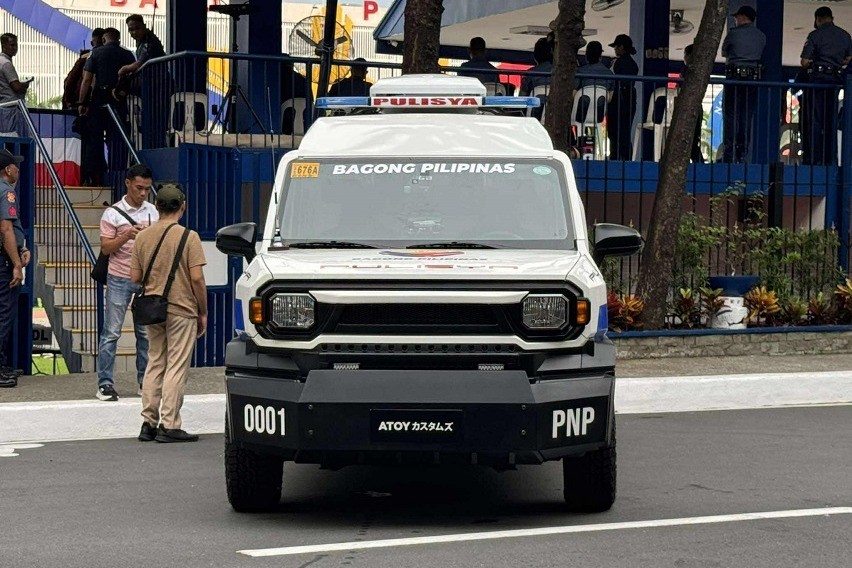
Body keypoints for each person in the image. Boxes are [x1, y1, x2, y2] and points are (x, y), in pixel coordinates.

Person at [130, 183, 207, 443]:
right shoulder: (189, 237)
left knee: (155, 362)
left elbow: (135, 277)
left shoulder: (142, 237)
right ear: (182, 207)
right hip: (182, 309)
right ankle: (170, 424)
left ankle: (148, 423)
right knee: (176, 366)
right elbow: (197, 278)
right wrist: (203, 311)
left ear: (158, 207)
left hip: (153, 309)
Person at [95, 164, 159, 401]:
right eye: (139, 188)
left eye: (147, 189)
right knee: (111, 332)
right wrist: (127, 235)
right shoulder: (112, 213)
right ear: (128, 183)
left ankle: (144, 382)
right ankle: (104, 383)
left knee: (145, 334)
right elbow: (106, 248)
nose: (142, 194)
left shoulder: (153, 211)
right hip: (119, 276)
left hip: (145, 279)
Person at [78, 28, 135, 187]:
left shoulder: (95, 53)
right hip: (119, 100)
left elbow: (87, 79)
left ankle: (93, 178)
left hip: (99, 100)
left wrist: (82, 103)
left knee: (94, 139)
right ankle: (118, 177)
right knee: (117, 139)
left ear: (103, 39)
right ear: (118, 39)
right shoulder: (128, 55)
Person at [800, 6, 852, 166]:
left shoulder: (815, 35)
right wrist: (836, 61)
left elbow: (804, 62)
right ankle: (831, 158)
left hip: (817, 81)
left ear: (818, 19)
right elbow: (849, 58)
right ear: (832, 17)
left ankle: (814, 159)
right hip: (835, 82)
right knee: (831, 120)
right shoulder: (845, 35)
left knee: (815, 120)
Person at [721, 5, 766, 163]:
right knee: (746, 115)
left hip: (734, 77)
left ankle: (729, 150)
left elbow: (724, 52)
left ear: (743, 17)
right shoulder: (761, 36)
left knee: (731, 114)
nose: (736, 19)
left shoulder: (734, 34)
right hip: (751, 79)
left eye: (737, 17)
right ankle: (743, 151)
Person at [0, 149, 28, 388]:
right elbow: (6, 229)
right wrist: (16, 264)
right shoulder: (6, 191)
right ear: (7, 169)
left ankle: (1, 363)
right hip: (3, 260)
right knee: (4, 314)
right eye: (15, 166)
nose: (18, 169)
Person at [119, 14, 167, 148]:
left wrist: (123, 70)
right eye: (131, 30)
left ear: (144, 27)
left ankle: (157, 147)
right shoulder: (142, 41)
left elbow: (138, 64)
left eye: (137, 28)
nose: (134, 32)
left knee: (156, 121)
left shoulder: (149, 41)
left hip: (158, 87)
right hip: (151, 86)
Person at [606, 34, 639, 160]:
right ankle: (626, 157)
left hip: (618, 99)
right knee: (625, 131)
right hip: (630, 98)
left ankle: (615, 156)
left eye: (616, 46)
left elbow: (617, 82)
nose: (615, 49)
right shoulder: (633, 64)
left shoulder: (619, 62)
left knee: (614, 131)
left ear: (622, 47)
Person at [62, 28, 105, 111]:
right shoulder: (106, 58)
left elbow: (70, 80)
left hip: (83, 102)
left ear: (92, 43)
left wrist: (70, 102)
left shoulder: (85, 58)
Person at [0, 33, 32, 135]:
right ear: (4, 46)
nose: (15, 48)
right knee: (16, 140)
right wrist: (25, 85)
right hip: (11, 109)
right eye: (12, 45)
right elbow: (16, 87)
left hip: (4, 107)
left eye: (16, 45)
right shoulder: (6, 64)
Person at [684, 44, 704, 163]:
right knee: (693, 140)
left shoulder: (689, 71)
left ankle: (699, 163)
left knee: (690, 140)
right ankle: (699, 163)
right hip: (697, 108)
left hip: (690, 108)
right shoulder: (699, 72)